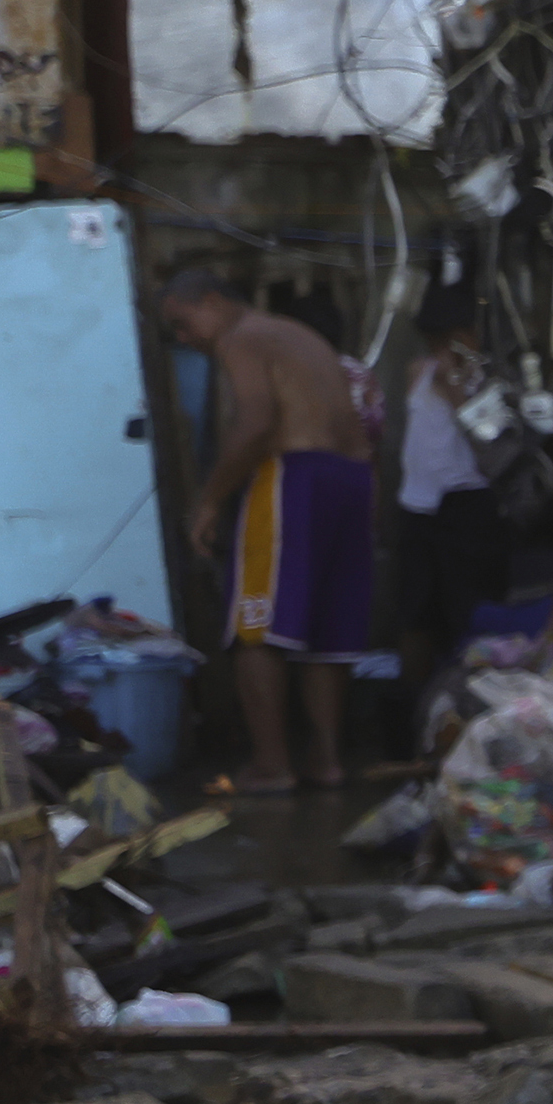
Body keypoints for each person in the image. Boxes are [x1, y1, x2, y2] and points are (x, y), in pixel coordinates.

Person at [162, 262, 378, 794]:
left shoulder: (242, 336)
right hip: (351, 480)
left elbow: (256, 421)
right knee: (327, 633)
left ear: (212, 301)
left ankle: (270, 764)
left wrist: (210, 500)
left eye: (184, 325)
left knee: (255, 627)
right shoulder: (295, 334)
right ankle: (325, 761)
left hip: (294, 477)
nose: (185, 341)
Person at [386, 285, 533, 692]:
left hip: (470, 505)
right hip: (419, 506)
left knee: (470, 611)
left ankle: (471, 693)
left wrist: (457, 391)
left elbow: (493, 452)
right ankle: (417, 704)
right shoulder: (419, 372)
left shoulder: (490, 380)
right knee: (415, 614)